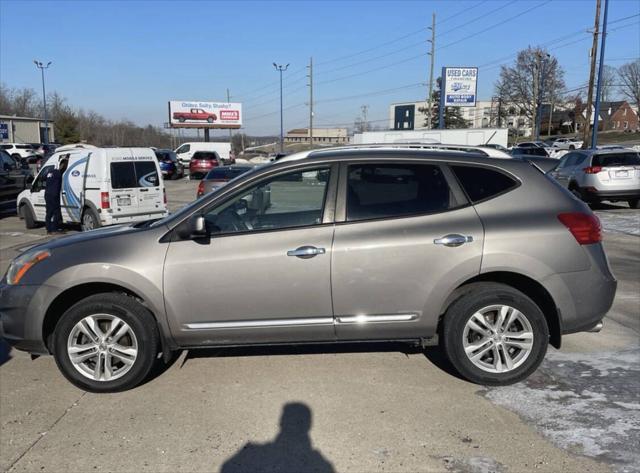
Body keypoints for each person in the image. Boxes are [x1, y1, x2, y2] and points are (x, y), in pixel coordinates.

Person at [44, 158, 68, 234]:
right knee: (56, 212)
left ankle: (48, 229)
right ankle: (54, 229)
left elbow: (44, 179)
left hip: (47, 194)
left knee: (49, 212)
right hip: (54, 195)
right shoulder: (59, 174)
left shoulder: (50, 172)